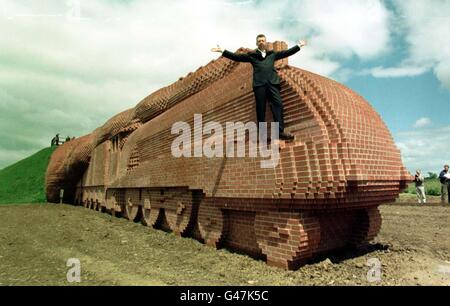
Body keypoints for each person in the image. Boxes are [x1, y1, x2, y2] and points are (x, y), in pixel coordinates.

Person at [211, 34, 307, 141]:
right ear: (257, 43)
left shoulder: (272, 54)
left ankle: (279, 132)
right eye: (259, 40)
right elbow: (237, 57)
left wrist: (299, 45)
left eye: (263, 40)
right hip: (259, 85)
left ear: (265, 42)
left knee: (278, 105)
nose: (261, 42)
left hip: (272, 83)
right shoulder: (252, 56)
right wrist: (222, 51)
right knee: (260, 109)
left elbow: (287, 53)